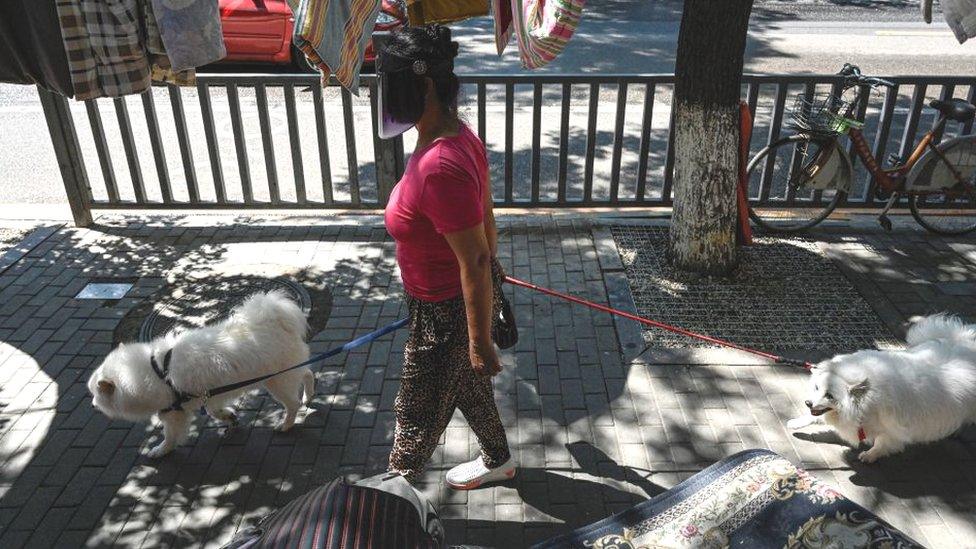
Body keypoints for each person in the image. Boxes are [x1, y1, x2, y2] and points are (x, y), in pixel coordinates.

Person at [381, 25, 515, 490]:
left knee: (414, 414)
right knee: (467, 386)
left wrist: (478, 340)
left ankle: (387, 505)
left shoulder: (441, 163)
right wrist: (490, 282)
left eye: (393, 85)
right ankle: (498, 458)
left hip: (444, 311)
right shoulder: (454, 134)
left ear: (426, 86)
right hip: (440, 305)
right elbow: (486, 218)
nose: (388, 96)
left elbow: (474, 259)